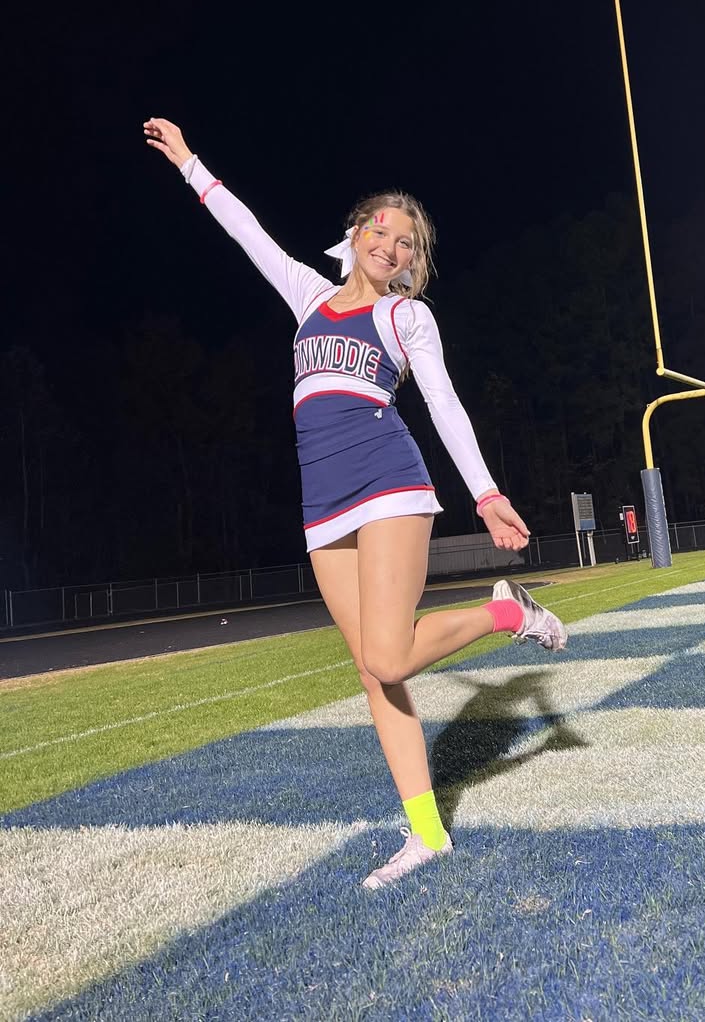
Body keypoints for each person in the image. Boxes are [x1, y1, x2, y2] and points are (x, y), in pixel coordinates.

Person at [143, 118, 568, 889]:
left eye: (406, 243)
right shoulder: (308, 294)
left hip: (388, 483)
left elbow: (443, 403)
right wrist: (188, 162)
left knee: (387, 653)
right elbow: (246, 230)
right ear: (355, 233)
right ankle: (427, 833)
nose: (391, 245)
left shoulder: (406, 317)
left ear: (411, 264)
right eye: (381, 229)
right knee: (377, 676)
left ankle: (506, 612)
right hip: (323, 504)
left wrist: (485, 492)